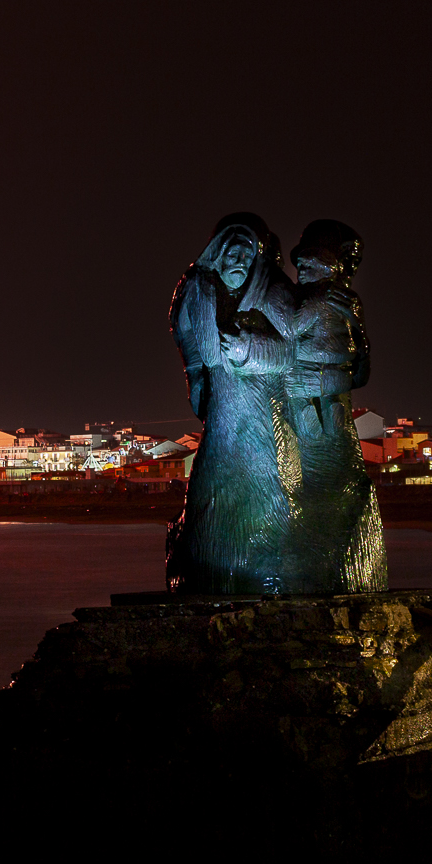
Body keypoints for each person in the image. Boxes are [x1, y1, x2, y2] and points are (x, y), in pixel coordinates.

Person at [166, 213, 302, 594]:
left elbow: (292, 351)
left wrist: (249, 349)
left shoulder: (272, 291)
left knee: (266, 491)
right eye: (231, 255)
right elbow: (189, 342)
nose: (238, 263)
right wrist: (195, 378)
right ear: (218, 254)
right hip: (223, 412)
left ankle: (269, 574)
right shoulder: (198, 289)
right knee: (211, 490)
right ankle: (206, 572)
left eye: (246, 255)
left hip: (262, 411)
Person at [283, 219, 387, 591]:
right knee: (313, 455)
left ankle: (338, 543)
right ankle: (314, 543)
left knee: (339, 455)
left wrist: (355, 335)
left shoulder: (347, 301)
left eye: (314, 264)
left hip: (337, 387)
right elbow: (288, 332)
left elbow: (361, 356)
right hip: (304, 389)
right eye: (303, 264)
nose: (304, 271)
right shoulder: (302, 301)